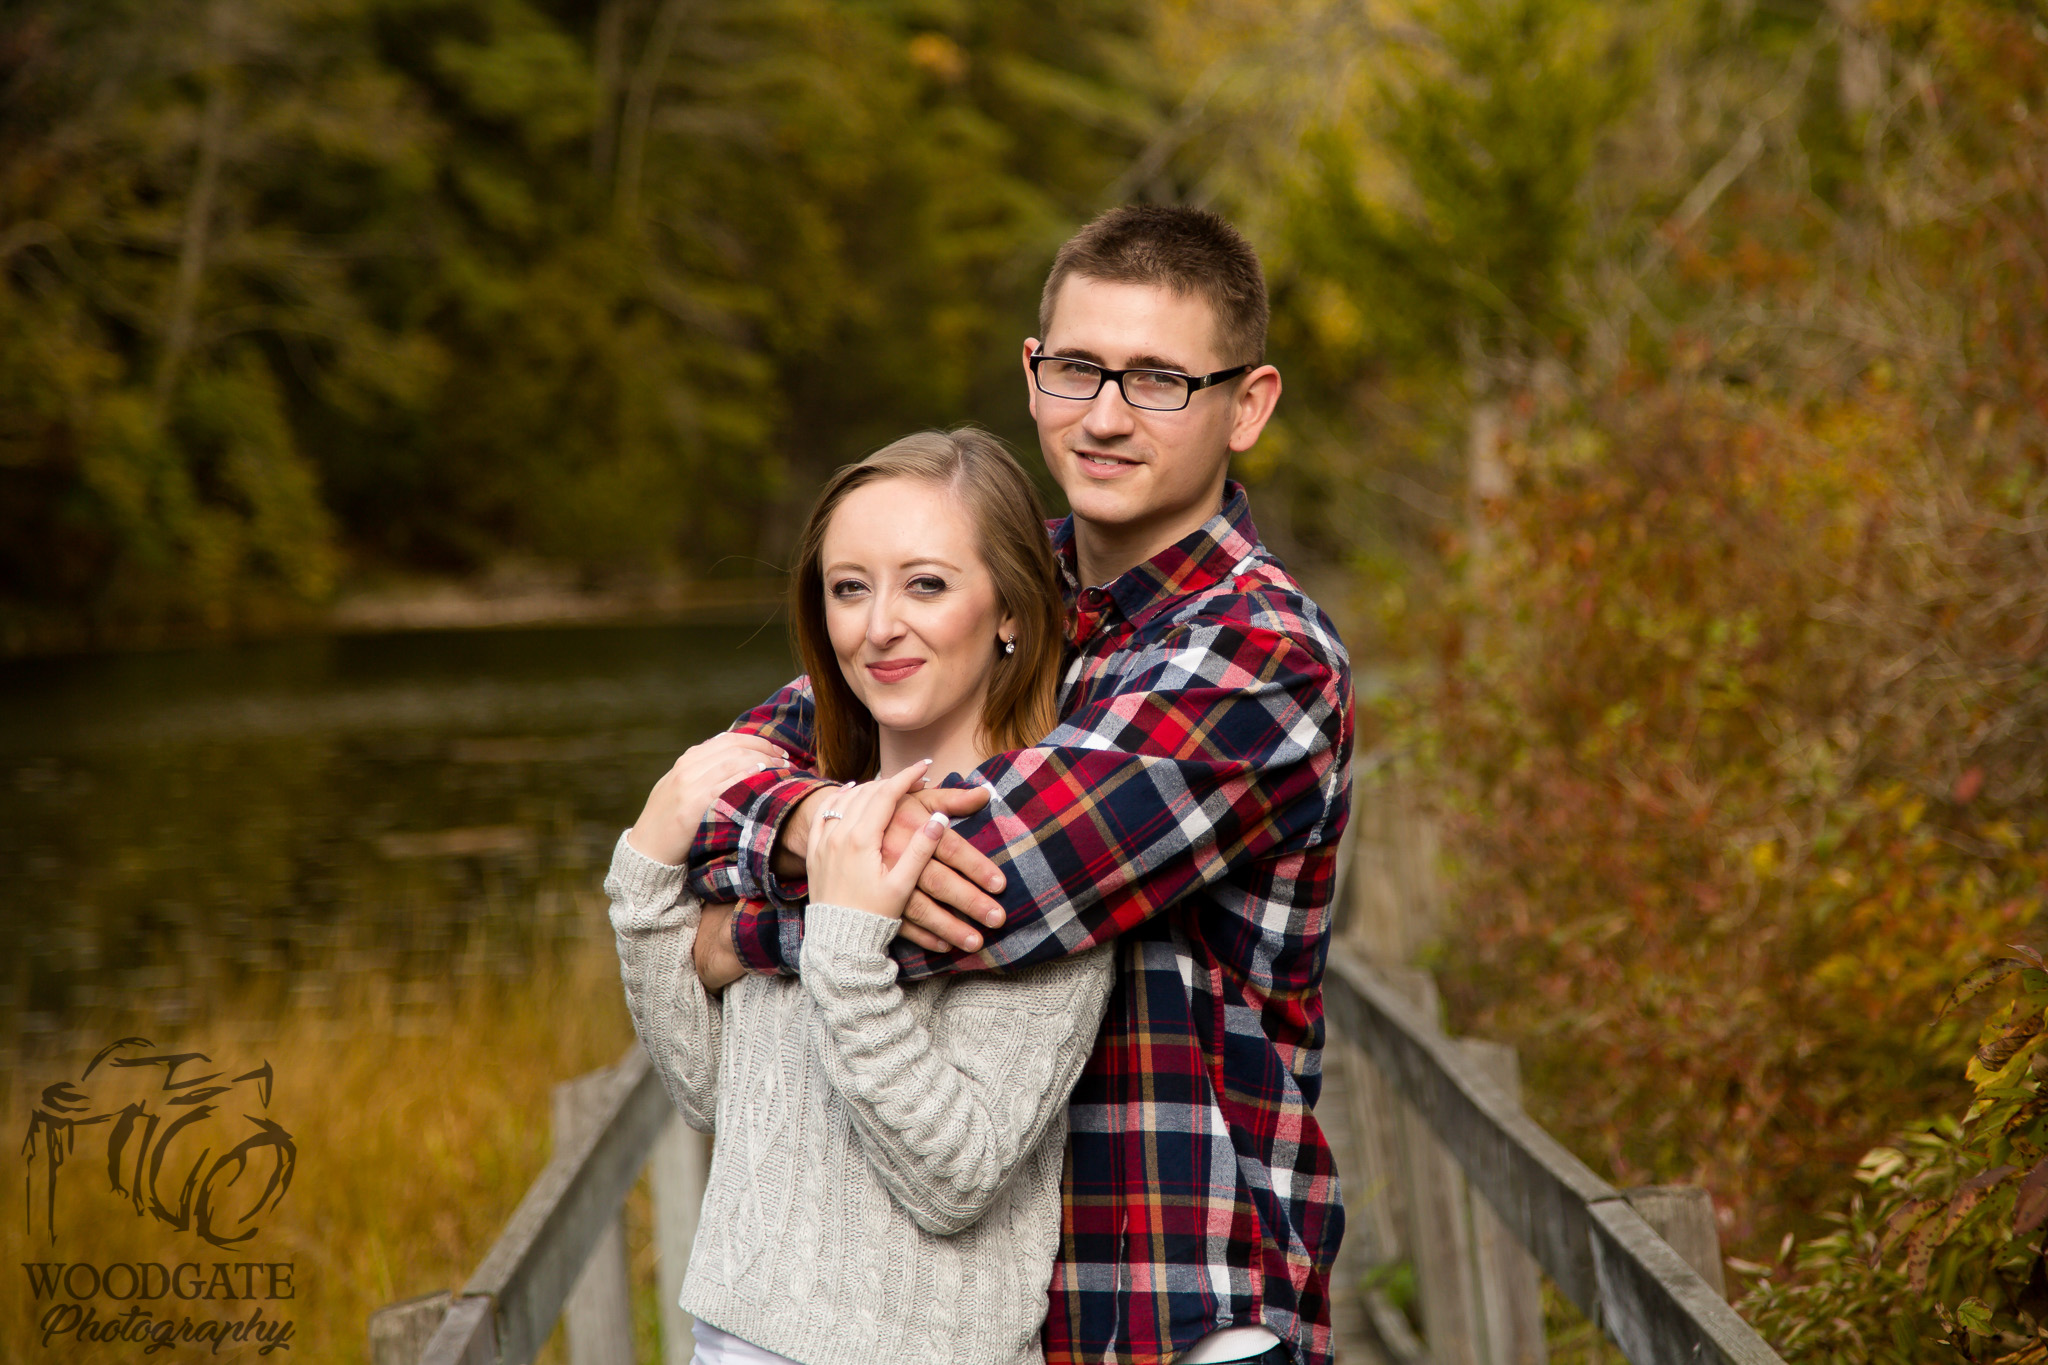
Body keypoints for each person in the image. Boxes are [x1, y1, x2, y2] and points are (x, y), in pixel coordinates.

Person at [685, 206, 1354, 1365]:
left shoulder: (1261, 658)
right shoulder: (988, 582)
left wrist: (733, 935)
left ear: (1245, 404)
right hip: (981, 1317)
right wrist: (797, 824)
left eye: (1158, 381)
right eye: (1078, 368)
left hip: (1175, 1309)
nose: (1102, 415)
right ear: (1032, 369)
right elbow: (731, 775)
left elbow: (998, 876)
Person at [608, 429, 1116, 1365]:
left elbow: (955, 1176)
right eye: (850, 587)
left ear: (1009, 608)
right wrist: (648, 863)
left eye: (925, 584)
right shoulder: (805, 825)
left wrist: (844, 950)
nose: (877, 625)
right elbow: (708, 1091)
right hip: (732, 1339)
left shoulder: (1036, 855)